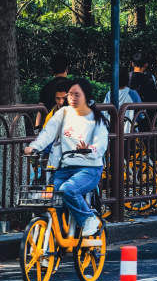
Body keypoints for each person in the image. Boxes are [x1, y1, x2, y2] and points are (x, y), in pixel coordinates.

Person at [25, 78, 109, 238]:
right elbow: (47, 133)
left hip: (89, 169)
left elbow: (101, 145)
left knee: (67, 189)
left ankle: (89, 219)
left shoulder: (96, 120)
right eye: (70, 95)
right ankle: (57, 239)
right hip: (65, 169)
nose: (71, 98)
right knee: (51, 197)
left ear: (86, 97)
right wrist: (35, 146)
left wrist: (89, 149)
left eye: (76, 94)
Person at [37, 54, 72, 127]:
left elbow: (40, 111)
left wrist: (37, 128)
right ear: (67, 69)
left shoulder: (46, 88)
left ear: (52, 70)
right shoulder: (74, 87)